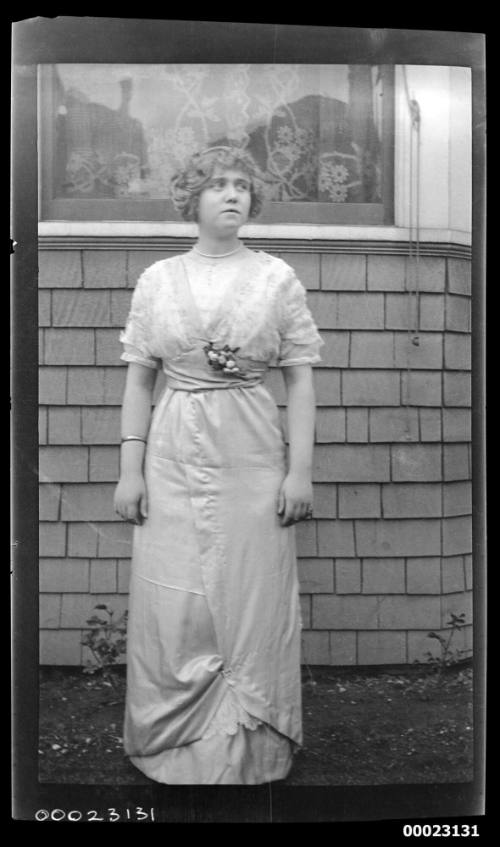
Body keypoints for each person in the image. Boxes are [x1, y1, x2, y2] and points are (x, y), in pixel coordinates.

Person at [114, 146, 324, 785]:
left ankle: (252, 743)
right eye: (216, 185)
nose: (231, 195)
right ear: (192, 199)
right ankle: (174, 743)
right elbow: (139, 380)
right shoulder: (158, 280)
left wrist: (300, 471)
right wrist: (131, 467)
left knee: (251, 590)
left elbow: (301, 383)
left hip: (252, 451)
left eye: (241, 185)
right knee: (176, 596)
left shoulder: (275, 279)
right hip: (173, 448)